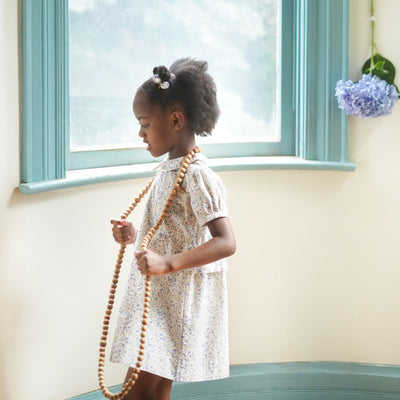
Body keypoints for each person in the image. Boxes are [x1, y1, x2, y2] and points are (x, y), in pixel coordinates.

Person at [109, 58, 236, 400]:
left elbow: (226, 242)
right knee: (154, 389)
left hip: (173, 302)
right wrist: (134, 235)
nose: (140, 133)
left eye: (145, 123)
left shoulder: (197, 174)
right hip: (158, 294)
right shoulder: (171, 168)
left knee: (137, 391)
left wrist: (167, 263)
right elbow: (170, 226)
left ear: (176, 120)